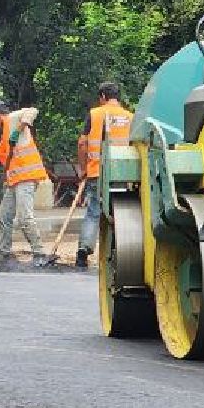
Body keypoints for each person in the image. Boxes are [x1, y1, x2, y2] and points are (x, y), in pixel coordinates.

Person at [75, 83, 133, 270]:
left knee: (93, 212)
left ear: (102, 96)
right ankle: (120, 253)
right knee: (119, 213)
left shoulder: (95, 114)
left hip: (96, 173)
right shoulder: (130, 117)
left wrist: (83, 168)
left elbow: (82, 143)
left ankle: (84, 250)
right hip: (122, 175)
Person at [0, 100, 48, 264]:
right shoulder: (6, 133)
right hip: (14, 181)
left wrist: (20, 128)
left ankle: (39, 253)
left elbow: (33, 109)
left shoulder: (13, 119)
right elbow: (8, 159)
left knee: (24, 217)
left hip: (27, 178)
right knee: (4, 216)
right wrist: (7, 180)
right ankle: (4, 251)